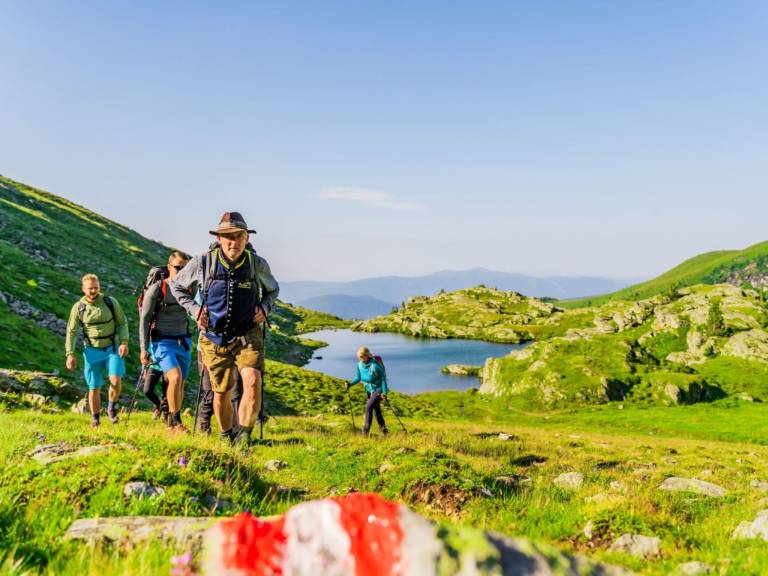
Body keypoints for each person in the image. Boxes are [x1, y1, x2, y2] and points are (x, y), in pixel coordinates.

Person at [170, 212, 279, 447]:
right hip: (213, 337)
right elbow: (176, 285)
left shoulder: (256, 263)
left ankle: (244, 438)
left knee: (252, 379)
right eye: (227, 236)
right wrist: (195, 309)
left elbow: (273, 290)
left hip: (248, 333)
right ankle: (226, 435)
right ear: (219, 238)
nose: (234, 242)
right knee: (221, 392)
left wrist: (266, 307)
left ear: (246, 237)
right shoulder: (203, 262)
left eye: (239, 236)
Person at [65, 274, 129, 427]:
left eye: (96, 287)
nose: (93, 290)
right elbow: (71, 332)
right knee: (94, 387)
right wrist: (70, 354)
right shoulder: (78, 307)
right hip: (92, 351)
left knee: (116, 378)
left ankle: (112, 408)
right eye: (90, 288)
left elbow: (122, 323)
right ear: (83, 289)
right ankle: (95, 419)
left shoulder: (110, 302)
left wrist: (124, 342)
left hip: (113, 348)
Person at [139, 251, 192, 431]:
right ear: (169, 267)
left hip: (184, 341)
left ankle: (170, 420)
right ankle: (177, 421)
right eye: (178, 267)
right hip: (162, 341)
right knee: (174, 377)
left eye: (185, 268)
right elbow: (144, 320)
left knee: (180, 385)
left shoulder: (191, 288)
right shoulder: (158, 288)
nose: (182, 271)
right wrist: (144, 349)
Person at [195, 348, 243, 434]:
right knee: (210, 392)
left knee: (235, 392)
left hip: (235, 349)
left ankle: (235, 431)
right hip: (208, 349)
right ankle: (203, 422)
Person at [345, 346, 389, 436]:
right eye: (359, 357)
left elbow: (383, 379)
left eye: (362, 357)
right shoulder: (359, 365)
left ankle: (365, 432)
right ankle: (384, 430)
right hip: (369, 390)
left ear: (367, 355)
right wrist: (350, 384)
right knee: (377, 410)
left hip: (378, 389)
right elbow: (358, 378)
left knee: (368, 407)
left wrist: (384, 393)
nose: (360, 359)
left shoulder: (375, 366)